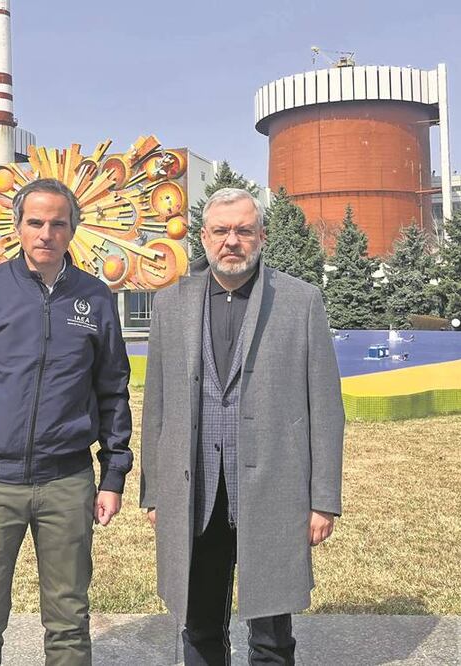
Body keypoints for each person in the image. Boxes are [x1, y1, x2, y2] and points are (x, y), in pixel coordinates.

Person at [0, 178, 133, 665]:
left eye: (58, 224)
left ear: (73, 229)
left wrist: (113, 476)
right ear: (17, 227)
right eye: (35, 222)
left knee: (69, 625)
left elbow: (112, 392)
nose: (46, 233)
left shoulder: (96, 298)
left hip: (67, 482)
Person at [139, 187, 345, 665]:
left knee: (271, 636)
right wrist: (154, 492)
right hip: (196, 493)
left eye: (243, 230)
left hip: (274, 490)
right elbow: (158, 406)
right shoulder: (171, 304)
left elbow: (325, 408)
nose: (231, 241)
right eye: (221, 231)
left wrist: (323, 500)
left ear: (261, 236)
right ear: (203, 237)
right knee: (200, 626)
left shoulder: (299, 301)